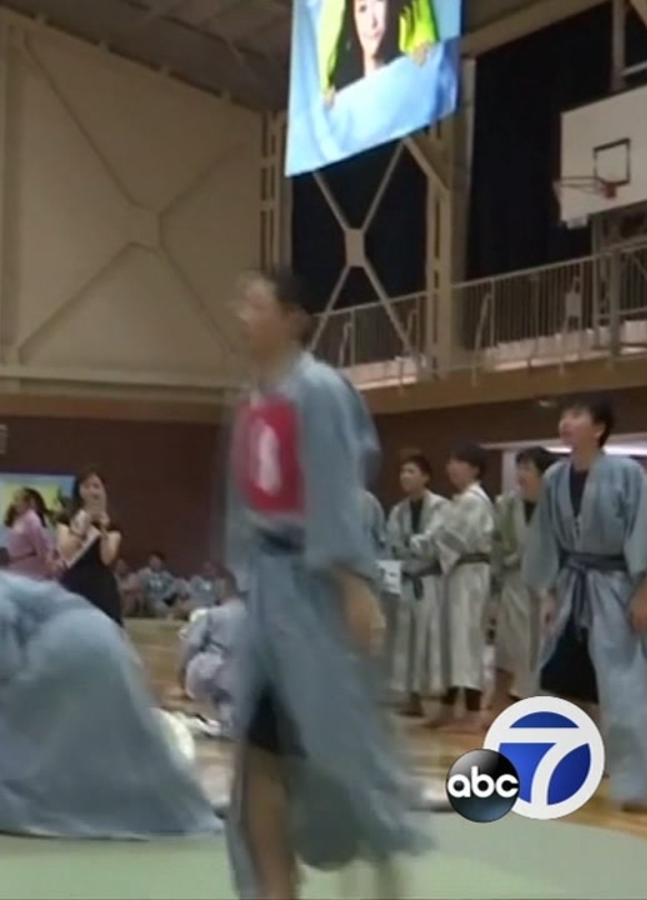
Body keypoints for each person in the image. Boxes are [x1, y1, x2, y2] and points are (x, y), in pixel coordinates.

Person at [220, 268, 425, 899]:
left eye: (255, 304)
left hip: (315, 593)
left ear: (293, 317)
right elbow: (244, 502)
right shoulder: (255, 398)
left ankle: (382, 872)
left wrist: (352, 585)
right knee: (258, 756)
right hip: (269, 595)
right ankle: (274, 890)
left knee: (340, 756)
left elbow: (336, 489)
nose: (242, 315)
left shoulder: (319, 392)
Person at [0, 544, 220, 839]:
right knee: (126, 734)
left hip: (63, 647)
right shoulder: (4, 580)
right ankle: (172, 805)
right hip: (104, 637)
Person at [524, 392, 647, 813]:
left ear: (599, 428)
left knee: (625, 689)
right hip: (573, 587)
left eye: (575, 415)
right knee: (558, 682)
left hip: (617, 590)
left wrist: (646, 593)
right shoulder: (555, 478)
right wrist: (550, 593)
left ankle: (637, 784)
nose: (565, 422)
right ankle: (565, 772)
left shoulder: (627, 473)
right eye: (563, 414)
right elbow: (546, 539)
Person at [419, 443, 493, 732]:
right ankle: (449, 706)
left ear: (474, 468)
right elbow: (437, 535)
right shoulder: (458, 501)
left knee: (466, 641)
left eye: (460, 461)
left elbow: (452, 540)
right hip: (455, 575)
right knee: (450, 641)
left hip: (471, 575)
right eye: (451, 461)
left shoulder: (475, 501)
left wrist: (423, 546)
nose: (452, 467)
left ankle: (473, 711)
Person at [490, 446, 555, 711]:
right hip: (514, 584)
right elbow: (495, 546)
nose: (520, 474)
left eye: (527, 468)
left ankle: (535, 707)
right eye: (519, 467)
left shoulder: (554, 505)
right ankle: (496, 707)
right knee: (506, 651)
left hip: (547, 588)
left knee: (539, 652)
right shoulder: (506, 504)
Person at [384, 453, 447, 718]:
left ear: (425, 476)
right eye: (402, 472)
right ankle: (410, 697)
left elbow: (433, 542)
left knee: (428, 638)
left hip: (430, 580)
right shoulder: (398, 511)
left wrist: (410, 545)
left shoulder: (440, 507)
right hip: (407, 580)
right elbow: (391, 544)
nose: (405, 477)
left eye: (411, 471)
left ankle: (430, 695)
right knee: (405, 640)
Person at [55, 469, 125, 625]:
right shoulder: (66, 517)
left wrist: (103, 529)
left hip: (102, 585)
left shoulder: (111, 521)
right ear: (78, 489)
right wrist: (82, 525)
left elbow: (107, 558)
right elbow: (65, 552)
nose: (91, 491)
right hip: (74, 582)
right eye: (86, 486)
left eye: (96, 486)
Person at [180, 596, 246, 733]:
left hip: (207, 670)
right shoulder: (257, 618)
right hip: (238, 671)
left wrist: (181, 671)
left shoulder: (213, 614)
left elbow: (191, 645)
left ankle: (210, 722)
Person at [2, 487, 54, 580]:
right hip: (16, 564)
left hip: (29, 566)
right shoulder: (19, 518)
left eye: (18, 500)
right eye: (14, 500)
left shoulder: (32, 519)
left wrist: (45, 563)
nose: (15, 503)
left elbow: (39, 544)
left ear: (27, 502)